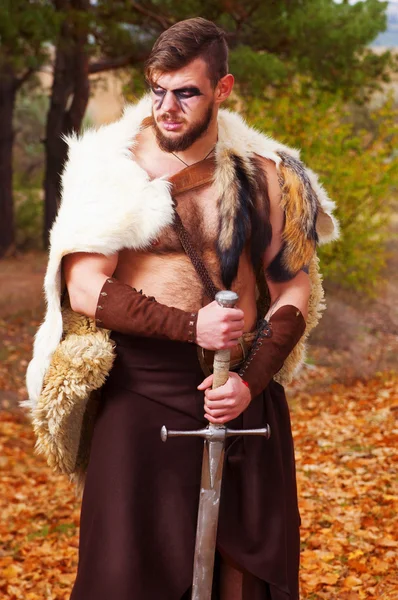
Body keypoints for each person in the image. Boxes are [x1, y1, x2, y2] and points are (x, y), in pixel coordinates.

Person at [24, 17, 339, 600]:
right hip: (141, 393)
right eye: (158, 90)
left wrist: (250, 382)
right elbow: (85, 287)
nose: (168, 107)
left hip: (241, 392)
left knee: (243, 583)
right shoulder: (109, 170)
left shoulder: (265, 176)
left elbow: (296, 289)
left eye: (187, 92)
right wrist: (191, 325)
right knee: (123, 577)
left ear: (223, 90)